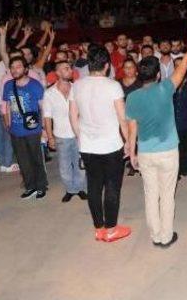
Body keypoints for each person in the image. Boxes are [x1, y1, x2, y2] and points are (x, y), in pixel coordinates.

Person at [125, 22, 187, 247]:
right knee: (167, 195)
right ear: (158, 74)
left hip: (146, 152)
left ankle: (155, 235)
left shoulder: (132, 98)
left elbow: (132, 128)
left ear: (139, 75)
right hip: (168, 151)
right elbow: (186, 61)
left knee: (151, 195)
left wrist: (132, 153)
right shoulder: (166, 88)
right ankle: (166, 237)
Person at [69, 44, 131, 243]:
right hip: (111, 145)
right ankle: (111, 228)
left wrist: (81, 136)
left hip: (88, 145)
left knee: (94, 186)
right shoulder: (113, 85)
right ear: (107, 66)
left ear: (88, 64)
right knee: (112, 186)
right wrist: (129, 141)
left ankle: (99, 228)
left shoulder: (77, 85)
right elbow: (123, 118)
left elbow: (72, 115)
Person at [2, 56, 48, 199]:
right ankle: (30, 187)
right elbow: (8, 105)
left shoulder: (35, 85)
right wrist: (8, 124)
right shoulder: (8, 85)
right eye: (12, 67)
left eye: (18, 66)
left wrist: (45, 129)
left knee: (36, 159)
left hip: (33, 128)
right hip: (15, 129)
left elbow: (43, 107)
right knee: (23, 160)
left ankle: (41, 186)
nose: (15, 70)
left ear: (25, 68)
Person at [43, 60, 87, 202]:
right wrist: (50, 137)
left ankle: (79, 188)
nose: (70, 70)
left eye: (69, 68)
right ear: (57, 72)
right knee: (64, 166)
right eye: (66, 68)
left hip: (78, 134)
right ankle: (70, 189)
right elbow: (47, 117)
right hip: (61, 135)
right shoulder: (49, 93)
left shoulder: (77, 88)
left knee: (80, 164)